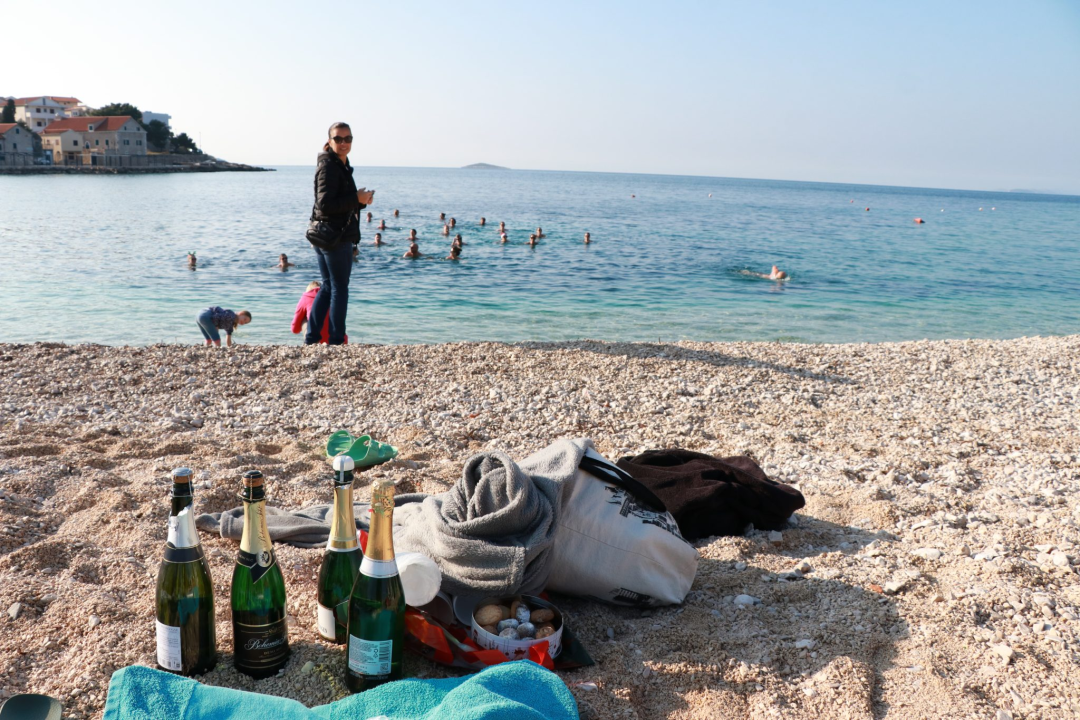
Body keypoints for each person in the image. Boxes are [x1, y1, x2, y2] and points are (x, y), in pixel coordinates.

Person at [307, 121, 374, 346]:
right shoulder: (329, 167)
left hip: (328, 234)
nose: (343, 143)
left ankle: (312, 338)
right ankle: (336, 341)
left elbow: (336, 204)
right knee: (339, 289)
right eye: (338, 139)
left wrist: (361, 202)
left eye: (347, 139)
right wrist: (356, 198)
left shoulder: (340, 164)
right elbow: (325, 204)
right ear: (329, 141)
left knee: (327, 287)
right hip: (334, 238)